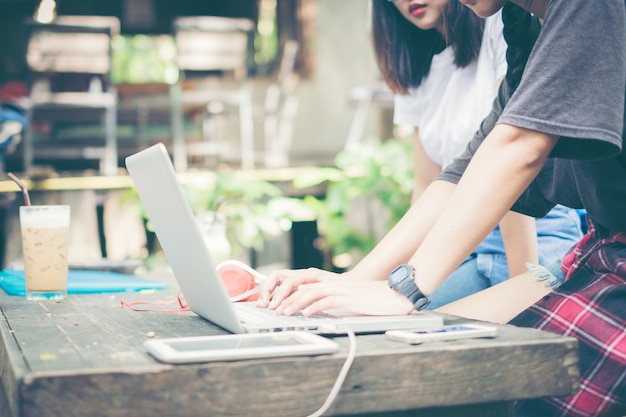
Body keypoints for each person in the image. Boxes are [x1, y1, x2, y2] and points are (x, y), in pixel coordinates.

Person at [258, 0, 626, 415]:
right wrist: (345, 288)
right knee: (416, 368)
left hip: (587, 256)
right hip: (595, 251)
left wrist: (406, 288)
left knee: (497, 385)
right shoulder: (522, 23)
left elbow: (521, 149)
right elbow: (462, 172)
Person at [372, 0, 582, 308]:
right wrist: (375, 281)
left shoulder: (502, 20)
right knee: (380, 320)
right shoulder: (415, 67)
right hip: (462, 245)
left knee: (432, 330)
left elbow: (511, 161)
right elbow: (427, 186)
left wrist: (517, 296)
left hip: (534, 235)